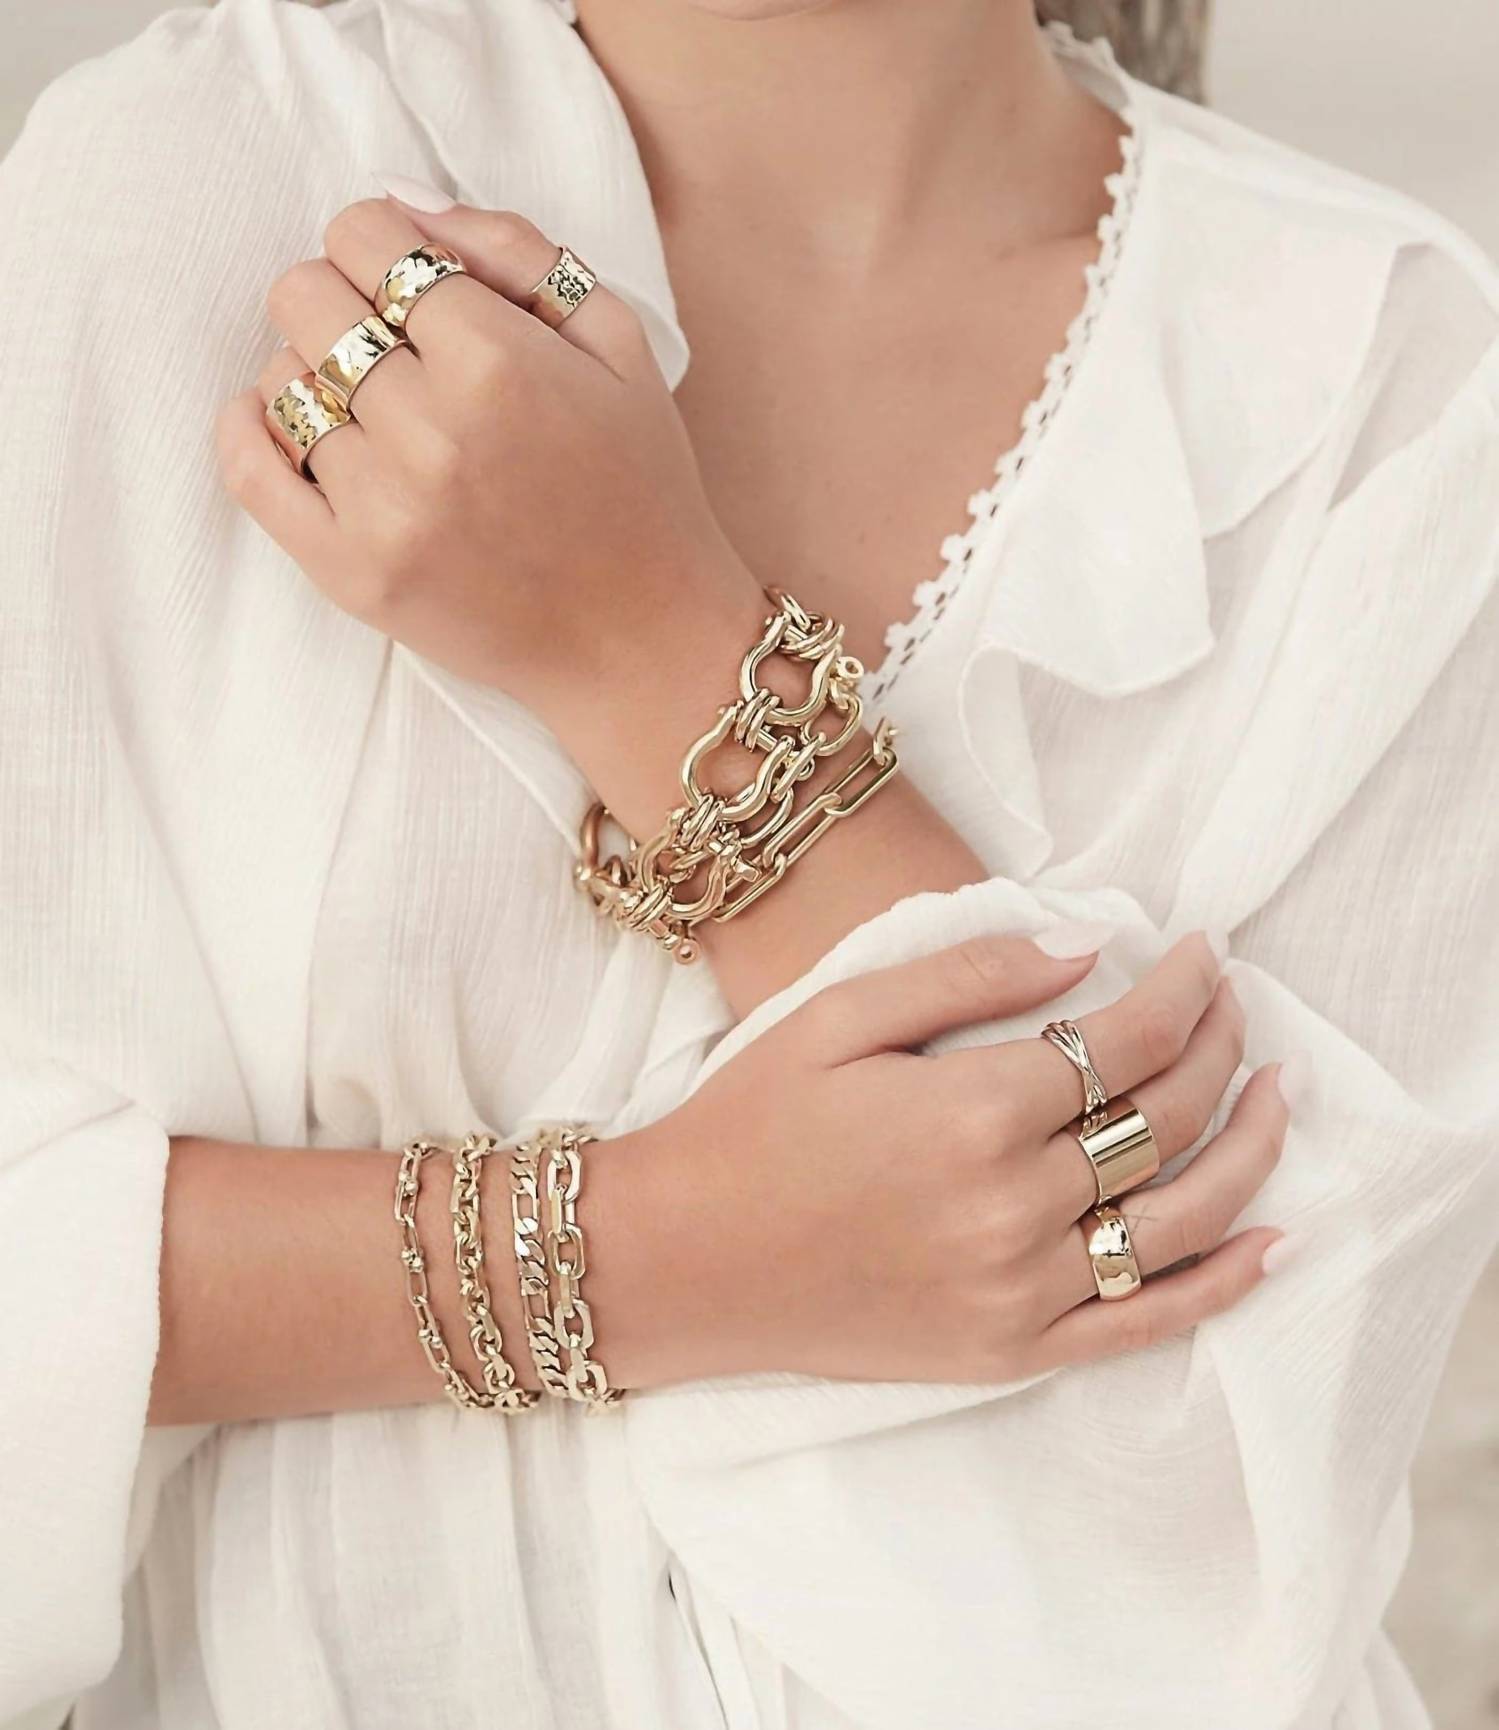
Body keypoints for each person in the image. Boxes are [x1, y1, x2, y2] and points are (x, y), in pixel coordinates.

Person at [0, 0, 1495, 1724]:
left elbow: (1207, 1549)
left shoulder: (1394, 392)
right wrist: (661, 1246)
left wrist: (653, 652)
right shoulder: (201, 190)